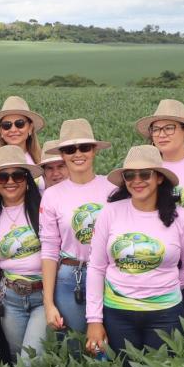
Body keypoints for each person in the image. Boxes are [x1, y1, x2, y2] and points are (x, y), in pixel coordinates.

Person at [85, 146, 184, 355]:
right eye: (130, 175)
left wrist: (166, 286)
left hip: (166, 313)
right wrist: (94, 319)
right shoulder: (110, 213)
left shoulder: (181, 218)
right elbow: (96, 267)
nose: (136, 180)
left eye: (145, 174)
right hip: (117, 312)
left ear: (159, 178)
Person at [135, 99, 184, 310]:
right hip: (150, 263)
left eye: (169, 128)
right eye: (156, 129)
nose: (161, 134)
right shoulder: (141, 168)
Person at [0, 146, 47, 360]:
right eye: (2, 177)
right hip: (10, 298)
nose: (10, 181)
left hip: (42, 295)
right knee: (16, 357)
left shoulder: (44, 210)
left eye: (17, 175)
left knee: (30, 360)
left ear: (27, 179)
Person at [40, 119, 114, 337]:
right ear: (63, 154)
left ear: (94, 151)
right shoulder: (52, 196)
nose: (78, 153)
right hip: (71, 278)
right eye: (70, 149)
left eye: (84, 147)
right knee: (74, 345)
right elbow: (49, 249)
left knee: (111, 345)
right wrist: (48, 303)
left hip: (110, 275)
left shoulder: (113, 189)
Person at [0, 96, 44, 163]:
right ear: (1, 131)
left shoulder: (43, 161)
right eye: (6, 125)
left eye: (20, 124)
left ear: (30, 128)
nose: (13, 130)